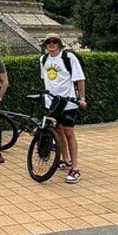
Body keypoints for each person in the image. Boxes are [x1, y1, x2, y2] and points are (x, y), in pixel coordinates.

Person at [40, 34, 86, 184]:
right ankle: (65, 159)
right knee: (58, 130)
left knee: (69, 132)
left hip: (68, 102)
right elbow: (46, 80)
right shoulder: (43, 59)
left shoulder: (69, 57)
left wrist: (82, 98)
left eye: (54, 42)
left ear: (59, 44)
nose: (51, 44)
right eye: (49, 42)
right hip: (52, 103)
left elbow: (80, 78)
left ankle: (75, 167)